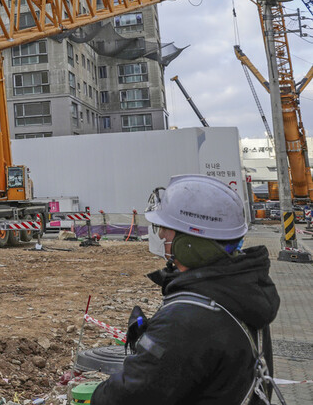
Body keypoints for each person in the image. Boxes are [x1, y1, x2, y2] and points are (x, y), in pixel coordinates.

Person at [91, 174, 280, 405]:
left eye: (167, 228)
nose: (161, 234)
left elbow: (123, 397)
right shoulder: (241, 290)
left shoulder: (188, 317)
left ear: (191, 243)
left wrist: (157, 345)